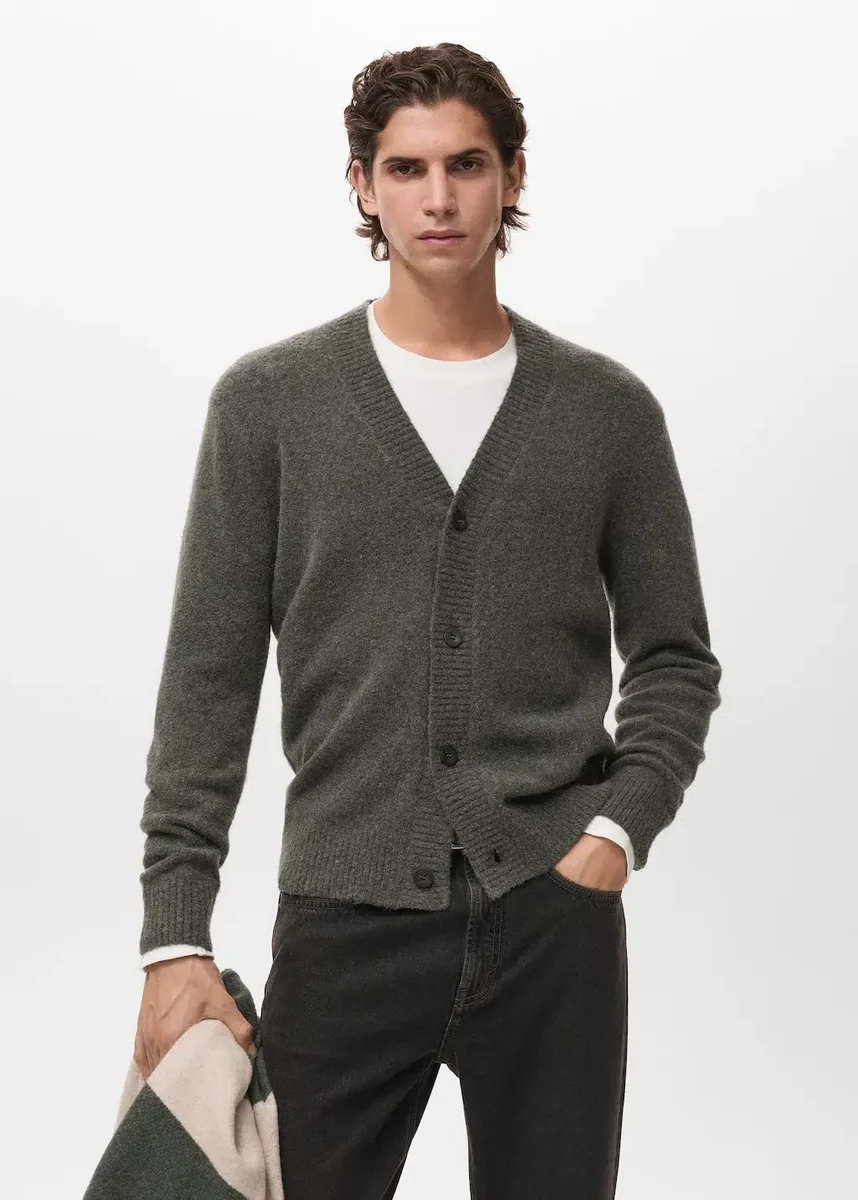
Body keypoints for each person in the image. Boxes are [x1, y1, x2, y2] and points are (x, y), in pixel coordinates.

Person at [133, 42, 722, 1198]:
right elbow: (208, 683)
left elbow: (673, 658)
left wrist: (615, 833)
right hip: (344, 916)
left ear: (512, 175)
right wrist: (174, 934)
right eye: (406, 169)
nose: (438, 198)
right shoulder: (270, 406)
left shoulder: (606, 413)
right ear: (363, 183)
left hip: (553, 917)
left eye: (466, 164)